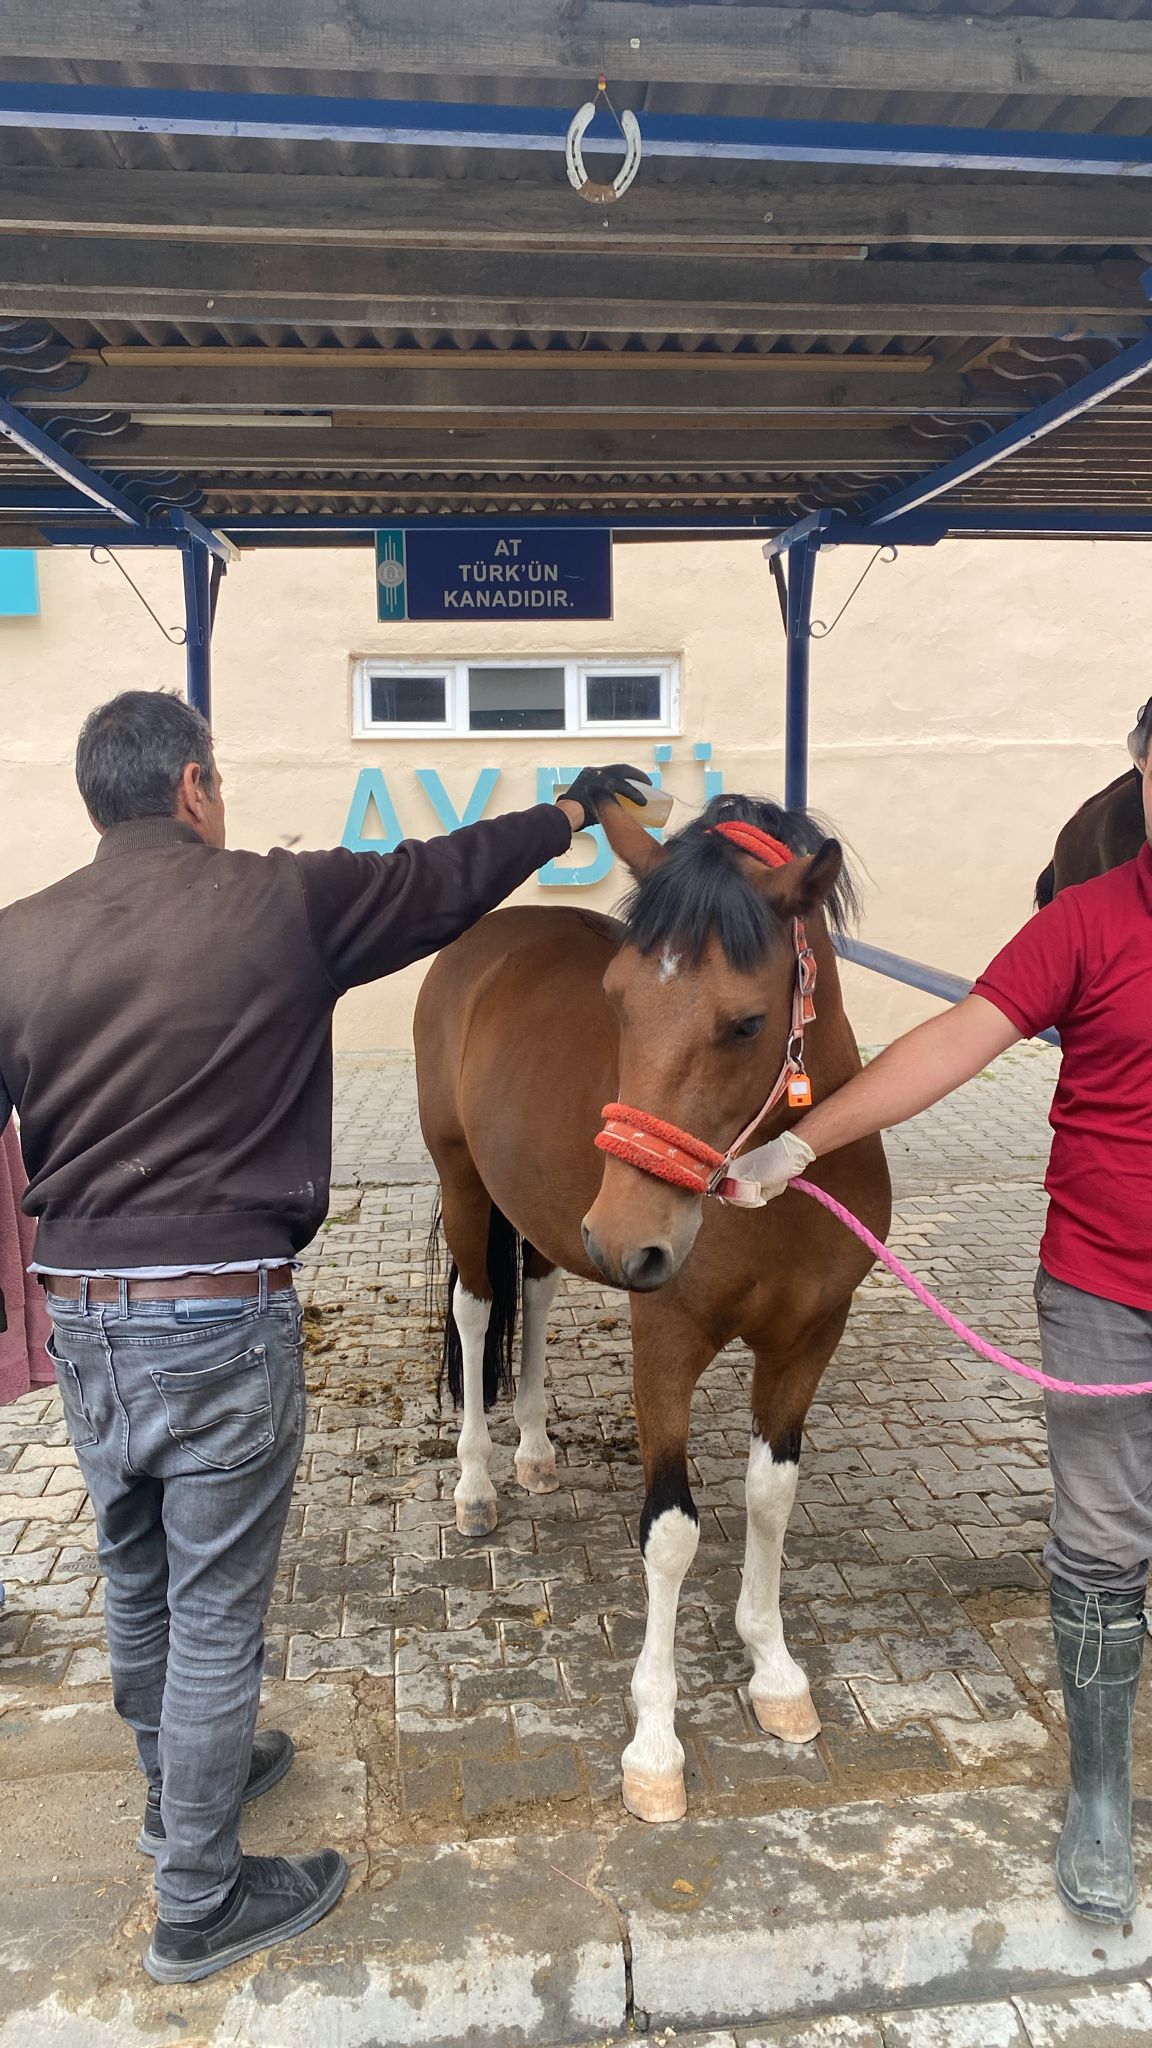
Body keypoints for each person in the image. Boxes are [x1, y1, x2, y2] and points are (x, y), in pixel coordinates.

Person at [0, 688, 650, 1984]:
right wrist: (574, 808)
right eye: (218, 781)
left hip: (82, 1314)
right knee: (215, 1609)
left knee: (136, 1576)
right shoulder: (277, 905)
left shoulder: (14, 940)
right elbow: (444, 876)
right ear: (193, 788)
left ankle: (180, 1786)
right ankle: (197, 1894)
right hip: (221, 1322)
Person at [736, 729, 1152, 1928]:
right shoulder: (1082, 922)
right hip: (1106, 1295)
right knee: (1103, 1545)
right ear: (1140, 771)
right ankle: (1102, 1795)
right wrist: (802, 1142)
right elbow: (957, 1040)